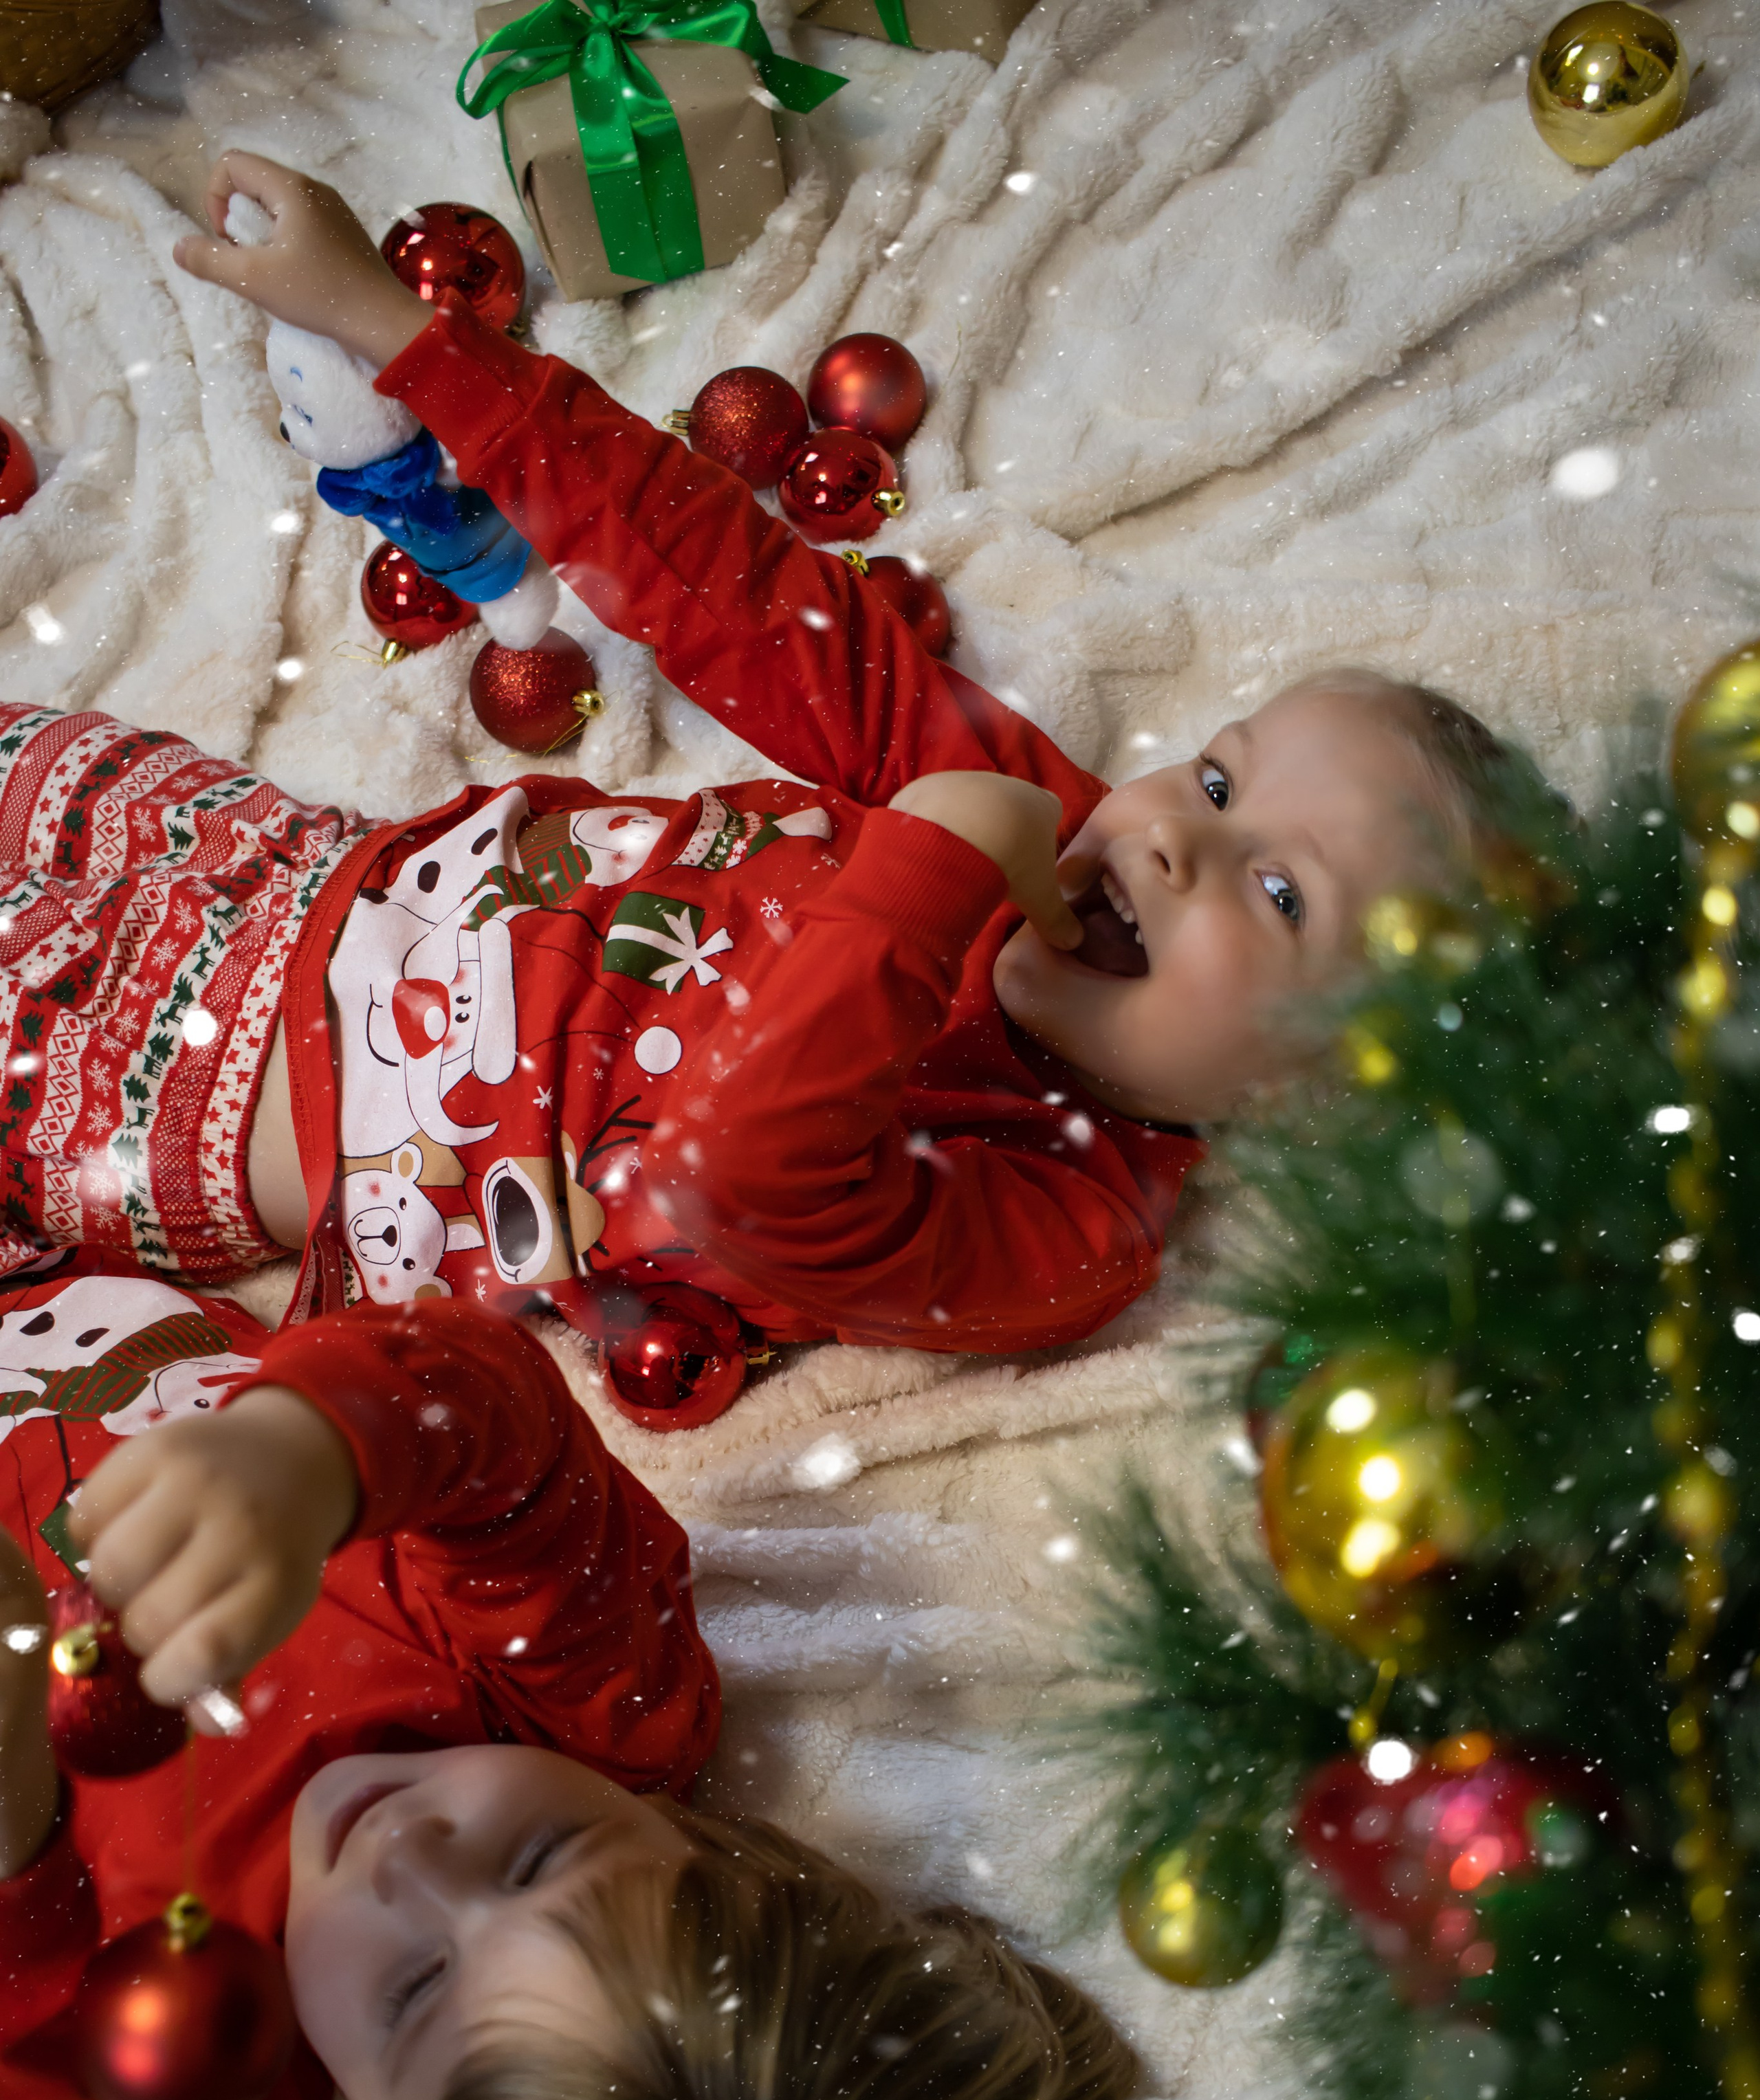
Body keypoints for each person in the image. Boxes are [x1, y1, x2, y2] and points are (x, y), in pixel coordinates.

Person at [0, 153, 1516, 1413]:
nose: (1178, 832)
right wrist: (408, 340)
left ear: (1317, 1104)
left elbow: (745, 1176)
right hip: (276, 859)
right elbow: (728, 588)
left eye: (1277, 890)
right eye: (1214, 771)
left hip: (209, 1094)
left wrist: (929, 869)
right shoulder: (1030, 814)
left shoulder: (1066, 1227)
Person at [0, 1260, 1135, 2100]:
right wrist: (303, 1454)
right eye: (543, 1860)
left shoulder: (200, 2084)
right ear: (713, 1847)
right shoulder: (587, 1703)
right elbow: (495, 1422)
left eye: (419, 1993)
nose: (415, 1860)